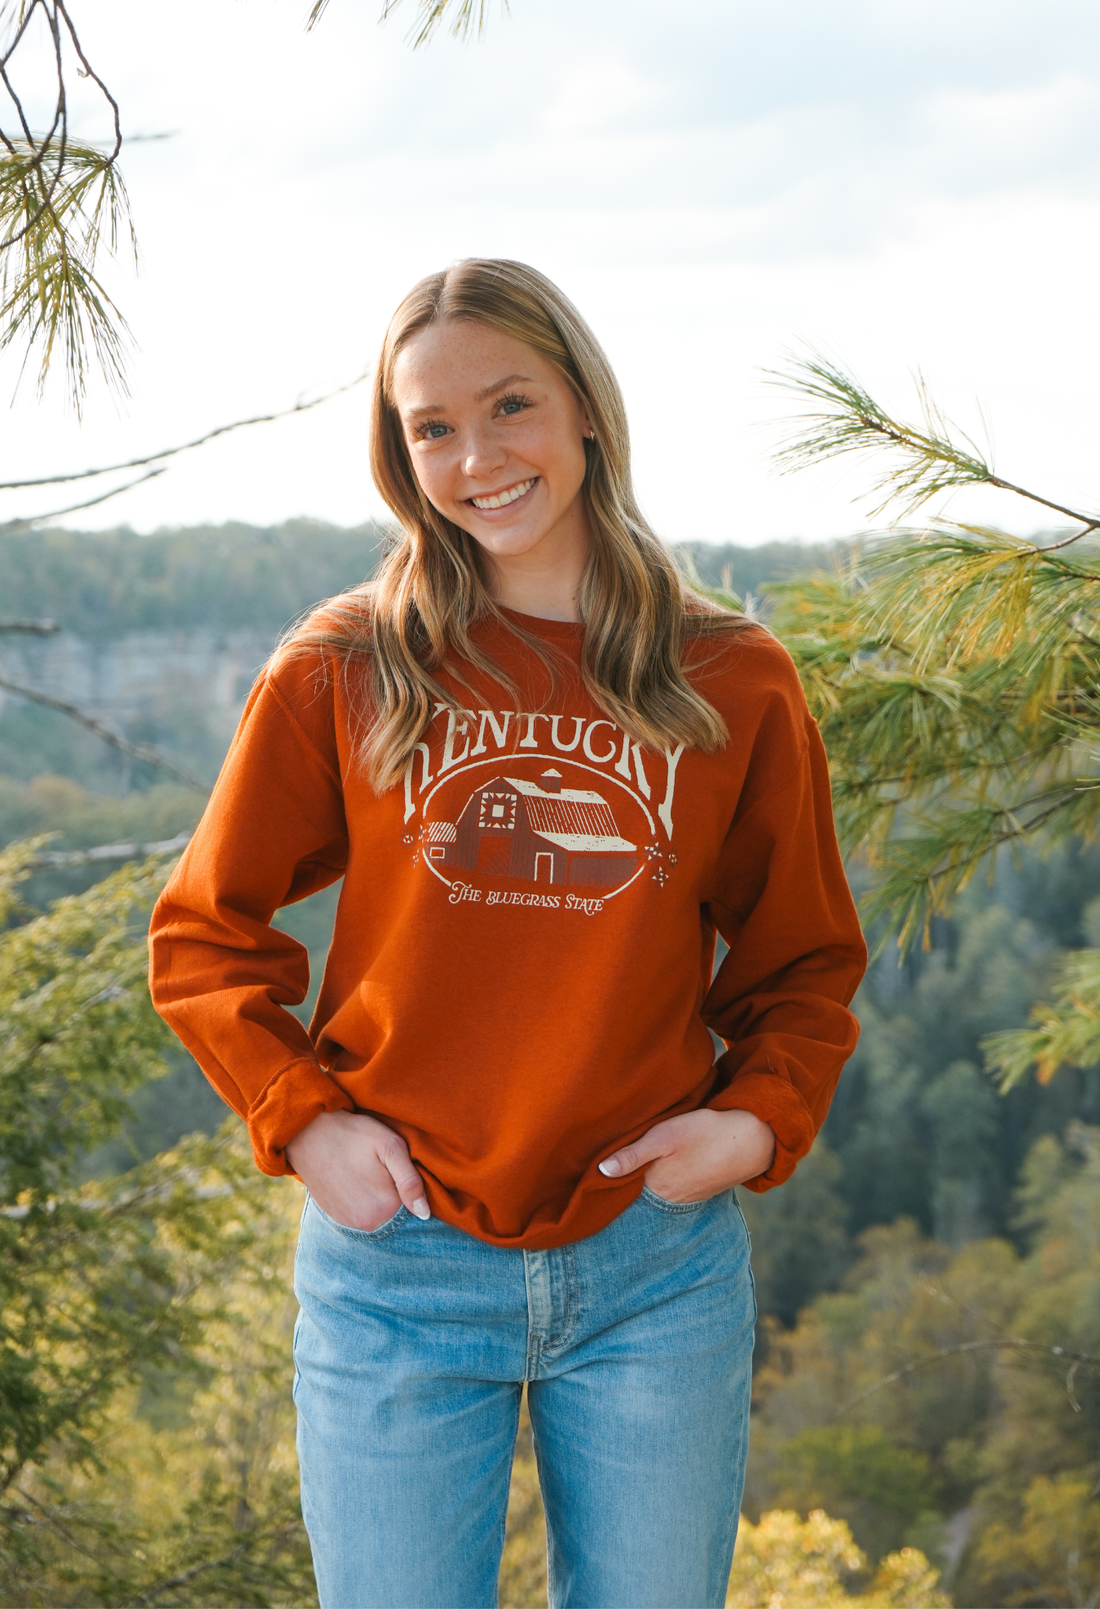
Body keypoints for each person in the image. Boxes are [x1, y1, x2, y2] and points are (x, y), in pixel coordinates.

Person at [149, 257, 866, 1609]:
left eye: (511, 404)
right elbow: (204, 930)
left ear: (585, 408)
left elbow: (804, 961)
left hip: (651, 1265)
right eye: (432, 426)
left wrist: (755, 1124)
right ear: (399, 448)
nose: (476, 456)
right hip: (399, 1267)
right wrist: (304, 1118)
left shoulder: (728, 678)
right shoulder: (350, 665)